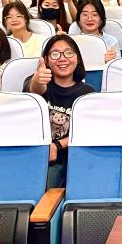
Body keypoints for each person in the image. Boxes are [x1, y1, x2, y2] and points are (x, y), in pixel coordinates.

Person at [25, 35, 95, 187]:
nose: (62, 58)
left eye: (69, 53)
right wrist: (38, 79)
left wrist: (57, 145)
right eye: (55, 54)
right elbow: (36, 90)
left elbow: (87, 131)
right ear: (46, 60)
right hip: (35, 154)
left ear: (77, 58)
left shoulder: (88, 93)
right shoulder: (37, 81)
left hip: (70, 157)